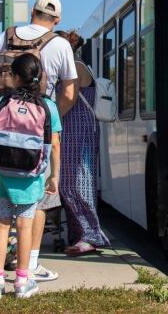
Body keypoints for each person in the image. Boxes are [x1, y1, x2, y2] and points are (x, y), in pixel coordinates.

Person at [0, 0, 77, 283]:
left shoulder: (3, 37)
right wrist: (48, 119)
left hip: (0, 132)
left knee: (0, 202)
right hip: (36, 143)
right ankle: (28, 267)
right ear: (57, 20)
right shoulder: (60, 44)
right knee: (37, 206)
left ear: (32, 12)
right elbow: (68, 93)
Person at [0, 54, 61, 299]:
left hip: (1, 174)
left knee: (2, 224)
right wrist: (54, 176)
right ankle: (21, 282)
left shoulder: (4, 101)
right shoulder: (48, 106)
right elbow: (55, 145)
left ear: (15, 78)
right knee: (25, 227)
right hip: (30, 176)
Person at [56, 30, 108, 255]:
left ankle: (90, 235)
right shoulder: (71, 66)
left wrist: (49, 120)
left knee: (78, 182)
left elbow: (70, 97)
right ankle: (78, 235)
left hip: (79, 131)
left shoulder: (75, 67)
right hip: (70, 131)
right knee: (67, 183)